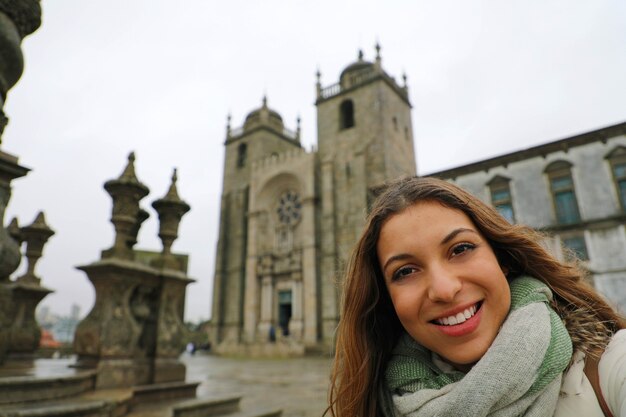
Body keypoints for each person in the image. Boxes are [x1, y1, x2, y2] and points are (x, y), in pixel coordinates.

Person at [326, 176, 625, 417]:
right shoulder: (379, 403)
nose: (444, 289)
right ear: (386, 301)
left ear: (502, 259)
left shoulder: (610, 368)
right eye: (405, 271)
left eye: (461, 249)